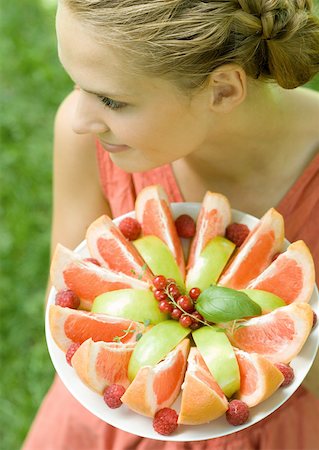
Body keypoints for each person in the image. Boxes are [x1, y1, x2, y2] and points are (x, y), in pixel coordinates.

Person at [23, 0, 319, 449]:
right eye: (75, 85)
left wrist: (277, 336)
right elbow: (69, 305)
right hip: (114, 418)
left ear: (222, 90)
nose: (80, 118)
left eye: (111, 100)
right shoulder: (85, 139)